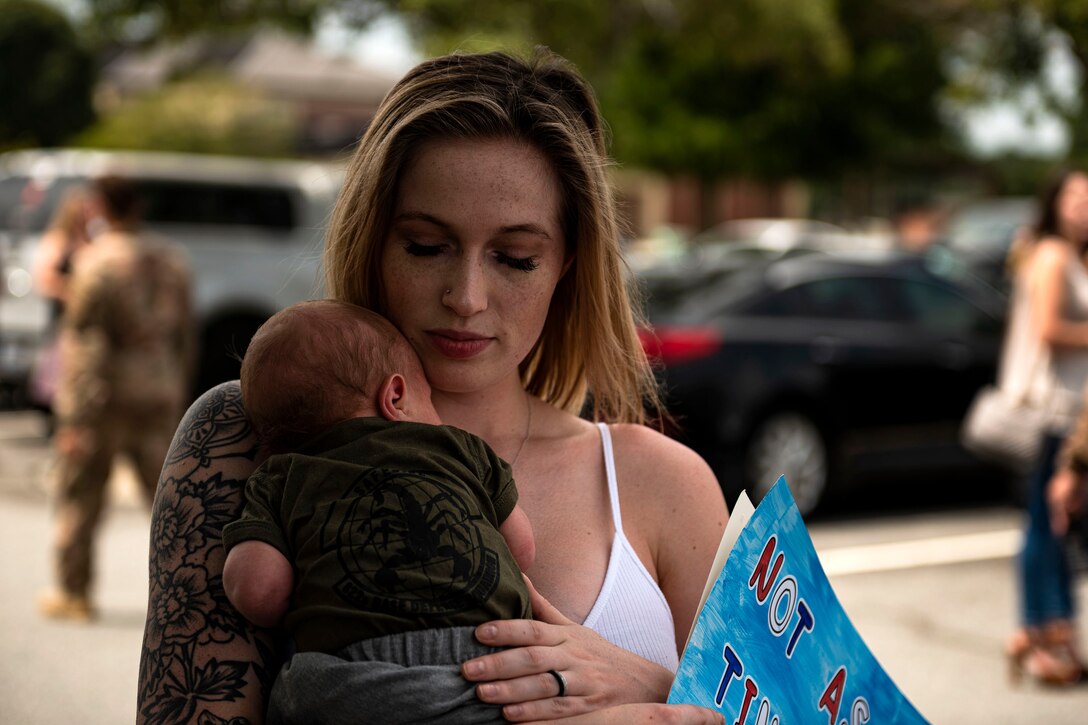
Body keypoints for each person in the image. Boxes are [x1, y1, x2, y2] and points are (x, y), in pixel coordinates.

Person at [138, 48, 727, 725]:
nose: (466, 297)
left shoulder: (662, 483)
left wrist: (648, 684)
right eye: (426, 245)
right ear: (374, 241)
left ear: (568, 263)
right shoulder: (240, 436)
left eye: (514, 258)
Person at [222, 299, 535, 723]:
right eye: (430, 399)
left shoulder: (280, 477)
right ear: (397, 395)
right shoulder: (458, 446)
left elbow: (259, 592)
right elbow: (521, 549)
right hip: (482, 667)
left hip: (351, 680)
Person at [39, 174, 194, 622]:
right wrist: (176, 387)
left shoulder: (95, 263)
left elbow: (87, 345)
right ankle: (189, 597)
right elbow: (185, 336)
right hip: (159, 391)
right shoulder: (172, 260)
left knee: (82, 494)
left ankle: (74, 593)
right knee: (170, 503)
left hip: (105, 396)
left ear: (102, 206)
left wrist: (74, 414)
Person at [1002, 168, 1088, 685]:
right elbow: (1049, 330)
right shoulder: (1054, 255)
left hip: (1067, 413)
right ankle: (1041, 636)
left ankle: (1045, 635)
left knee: (1050, 523)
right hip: (1052, 412)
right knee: (1047, 523)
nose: (1083, 206)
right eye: (1075, 196)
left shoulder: (1067, 256)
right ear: (1054, 202)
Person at [28, 185, 97, 416]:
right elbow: (44, 278)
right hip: (64, 313)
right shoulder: (59, 239)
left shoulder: (91, 239)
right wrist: (72, 293)